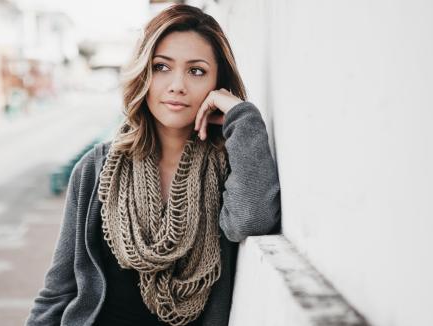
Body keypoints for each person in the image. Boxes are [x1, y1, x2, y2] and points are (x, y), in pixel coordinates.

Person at [26, 4, 281, 326]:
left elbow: (250, 220)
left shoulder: (230, 166)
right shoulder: (97, 168)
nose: (177, 85)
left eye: (196, 71)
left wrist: (241, 114)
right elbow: (58, 291)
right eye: (162, 67)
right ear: (143, 73)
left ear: (219, 83)